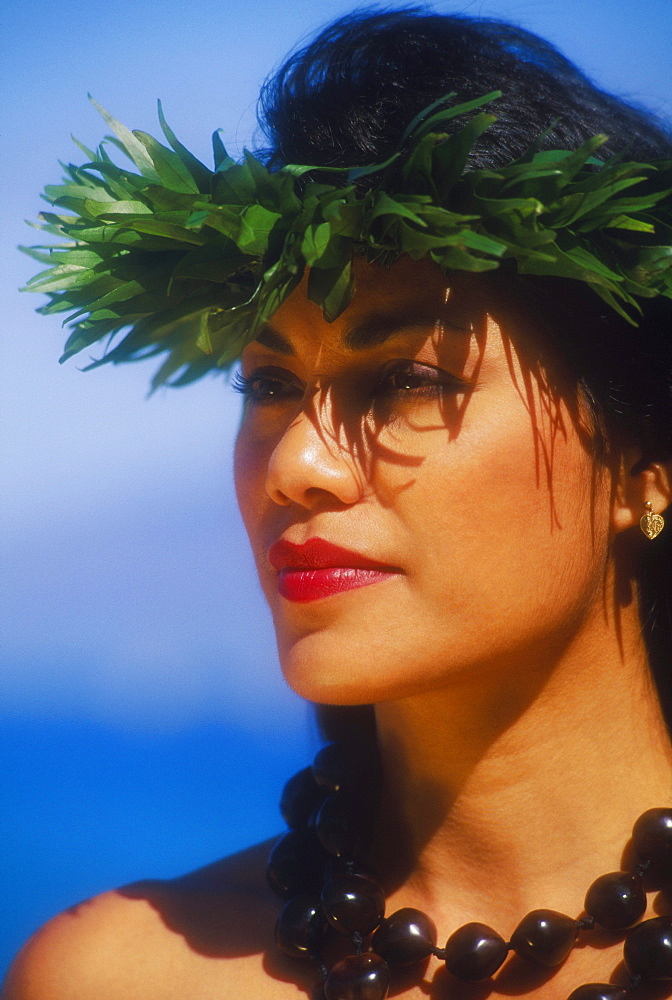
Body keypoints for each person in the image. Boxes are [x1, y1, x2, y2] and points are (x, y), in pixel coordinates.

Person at [4, 7, 672, 1000]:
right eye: (269, 386)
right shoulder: (115, 975)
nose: (296, 465)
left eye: (407, 379)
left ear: (644, 463)